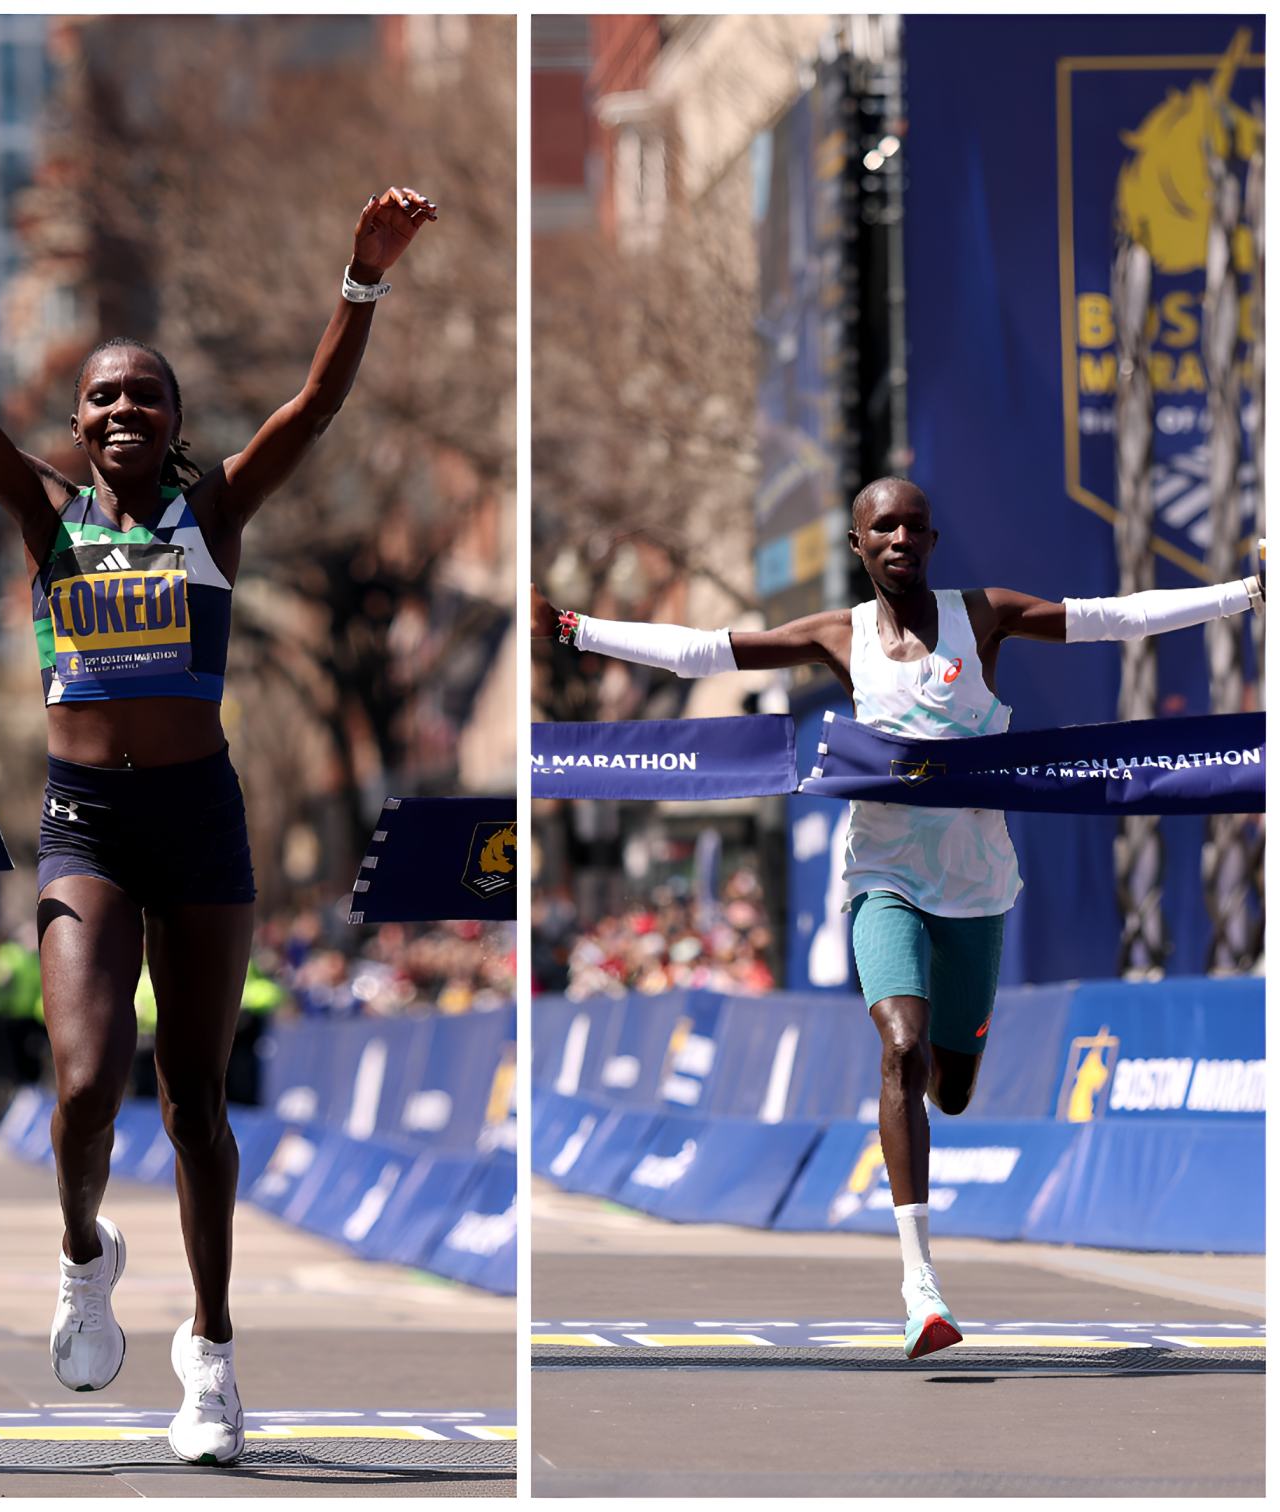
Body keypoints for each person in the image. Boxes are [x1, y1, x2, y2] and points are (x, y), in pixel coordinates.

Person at [0, 170, 436, 1460]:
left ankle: (210, 1357)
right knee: (86, 1087)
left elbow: (316, 405)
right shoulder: (43, 518)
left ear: (176, 420)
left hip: (201, 821)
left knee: (196, 1101)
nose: (125, 407)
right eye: (104, 396)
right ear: (79, 426)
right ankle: (85, 1255)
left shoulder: (217, 515)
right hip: (85, 822)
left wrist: (362, 277)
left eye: (147, 393)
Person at [532, 475, 1263, 1359]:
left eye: (914, 525)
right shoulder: (837, 637)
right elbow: (703, 653)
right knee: (901, 1049)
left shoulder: (982, 615)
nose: (899, 539)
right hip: (883, 876)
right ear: (857, 544)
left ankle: (954, 1086)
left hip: (977, 887)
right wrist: (575, 629)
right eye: (882, 527)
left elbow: (1112, 618)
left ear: (933, 538)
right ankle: (920, 1285)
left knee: (951, 1086)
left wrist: (1247, 593)